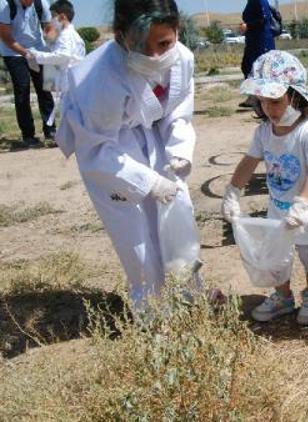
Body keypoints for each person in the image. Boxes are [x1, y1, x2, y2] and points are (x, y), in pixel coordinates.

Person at [55, 0, 200, 313]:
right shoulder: (102, 79)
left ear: (178, 29)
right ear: (120, 36)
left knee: (177, 206)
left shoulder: (183, 59)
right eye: (142, 46)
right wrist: (147, 181)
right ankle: (152, 308)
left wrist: (179, 150)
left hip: (151, 131)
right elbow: (97, 149)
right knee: (134, 228)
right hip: (109, 144)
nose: (155, 56)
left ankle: (186, 292)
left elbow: (178, 111)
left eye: (164, 43)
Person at [221, 50, 308, 326]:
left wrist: (303, 204)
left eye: (275, 100)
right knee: (276, 257)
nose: (269, 109)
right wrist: (233, 191)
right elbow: (249, 162)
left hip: (307, 212)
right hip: (279, 209)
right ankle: (283, 297)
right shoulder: (263, 133)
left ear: (296, 96)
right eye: (262, 101)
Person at [25, 0, 84, 145]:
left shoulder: (65, 35)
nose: (51, 20)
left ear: (62, 17)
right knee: (72, 111)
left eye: (53, 16)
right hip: (73, 78)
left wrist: (37, 56)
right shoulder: (71, 34)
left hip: (70, 79)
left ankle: (74, 139)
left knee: (70, 111)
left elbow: (62, 56)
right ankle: (72, 138)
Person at [0, 0, 55, 148]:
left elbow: (48, 27)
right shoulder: (5, 5)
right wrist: (25, 53)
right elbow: (5, 36)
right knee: (22, 90)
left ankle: (51, 130)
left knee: (46, 89)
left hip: (38, 49)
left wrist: (54, 46)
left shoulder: (41, 3)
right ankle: (28, 135)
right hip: (13, 51)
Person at [238, 0, 275, 108]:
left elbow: (263, 19)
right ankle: (254, 97)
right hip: (253, 41)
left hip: (261, 42)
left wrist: (248, 26)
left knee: (262, 69)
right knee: (247, 67)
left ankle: (264, 99)